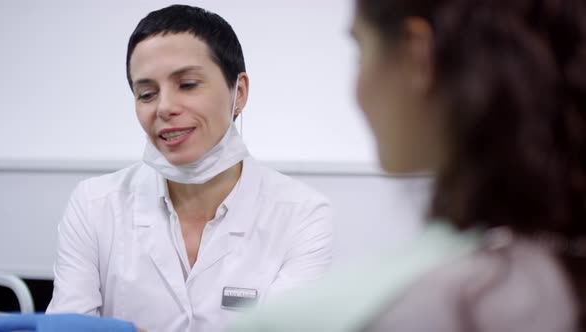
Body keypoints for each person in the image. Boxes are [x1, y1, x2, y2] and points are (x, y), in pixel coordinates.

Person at [229, 0, 586, 331]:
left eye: (360, 50)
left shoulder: (335, 315)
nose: (170, 109)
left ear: (417, 56)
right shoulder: (558, 271)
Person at [40, 4, 333, 332]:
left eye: (188, 84)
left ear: (239, 92)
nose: (164, 107)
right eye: (147, 93)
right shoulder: (94, 205)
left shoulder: (301, 214)